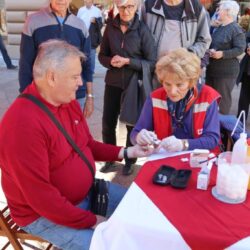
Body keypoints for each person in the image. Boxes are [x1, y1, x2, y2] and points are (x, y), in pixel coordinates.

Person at [0, 40, 153, 250]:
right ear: (52, 77)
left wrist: (127, 151)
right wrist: (93, 221)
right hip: (43, 215)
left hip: (86, 193)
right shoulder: (22, 125)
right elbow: (42, 200)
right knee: (110, 246)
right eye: (74, 76)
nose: (80, 83)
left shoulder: (65, 100)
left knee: (142, 209)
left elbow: (86, 144)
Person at [98, 0, 157, 175]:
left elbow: (151, 62)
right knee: (108, 123)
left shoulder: (142, 30)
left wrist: (128, 62)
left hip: (133, 85)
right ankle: (110, 158)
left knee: (132, 124)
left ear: (136, 7)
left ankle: (130, 161)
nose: (126, 10)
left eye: (130, 6)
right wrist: (110, 62)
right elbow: (102, 55)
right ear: (117, 6)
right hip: (113, 83)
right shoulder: (110, 27)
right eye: (122, 6)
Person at [130, 48, 221, 153]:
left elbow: (212, 139)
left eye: (180, 84)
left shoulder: (207, 97)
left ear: (191, 82)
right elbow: (135, 133)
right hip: (165, 159)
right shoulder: (155, 97)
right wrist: (138, 137)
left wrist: (184, 144)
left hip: (199, 159)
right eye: (167, 84)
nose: (172, 91)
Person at [18, 0, 94, 118]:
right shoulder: (33, 21)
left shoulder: (80, 25)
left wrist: (89, 97)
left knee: (73, 135)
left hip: (74, 96)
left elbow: (88, 65)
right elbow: (25, 64)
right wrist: (25, 98)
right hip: (44, 97)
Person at [206, 0, 246, 115]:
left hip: (226, 73)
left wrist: (222, 54)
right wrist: (211, 50)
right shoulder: (219, 26)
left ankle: (222, 130)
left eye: (221, 8)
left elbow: (240, 49)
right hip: (212, 70)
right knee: (210, 101)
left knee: (222, 103)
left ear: (228, 12)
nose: (218, 10)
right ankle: (211, 128)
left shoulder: (235, 29)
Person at [141, 0, 211, 60]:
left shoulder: (195, 7)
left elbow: (204, 40)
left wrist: (189, 54)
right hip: (152, 69)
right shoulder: (148, 5)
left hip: (181, 70)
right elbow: (138, 34)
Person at [77, 0, 103, 73]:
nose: (87, 2)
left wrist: (96, 21)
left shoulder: (97, 11)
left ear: (92, 1)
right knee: (82, 54)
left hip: (92, 36)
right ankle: (82, 71)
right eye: (86, 1)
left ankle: (91, 72)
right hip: (82, 35)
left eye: (89, 1)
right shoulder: (81, 10)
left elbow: (101, 24)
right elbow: (77, 21)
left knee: (91, 55)